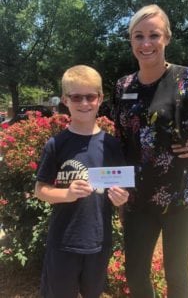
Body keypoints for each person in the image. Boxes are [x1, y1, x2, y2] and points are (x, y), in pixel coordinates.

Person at [112, 4, 188, 298]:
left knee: (176, 273)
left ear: (167, 38)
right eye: (138, 36)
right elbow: (122, 141)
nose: (146, 43)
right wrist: (119, 191)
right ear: (131, 41)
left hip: (184, 196)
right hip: (137, 199)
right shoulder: (123, 85)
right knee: (136, 274)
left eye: (154, 35)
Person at [35, 65, 129, 298]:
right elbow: (40, 190)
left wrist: (121, 198)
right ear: (66, 99)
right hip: (63, 241)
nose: (84, 103)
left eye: (90, 96)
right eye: (77, 97)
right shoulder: (56, 144)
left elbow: (122, 190)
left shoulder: (112, 144)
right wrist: (67, 194)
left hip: (99, 240)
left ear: (100, 98)